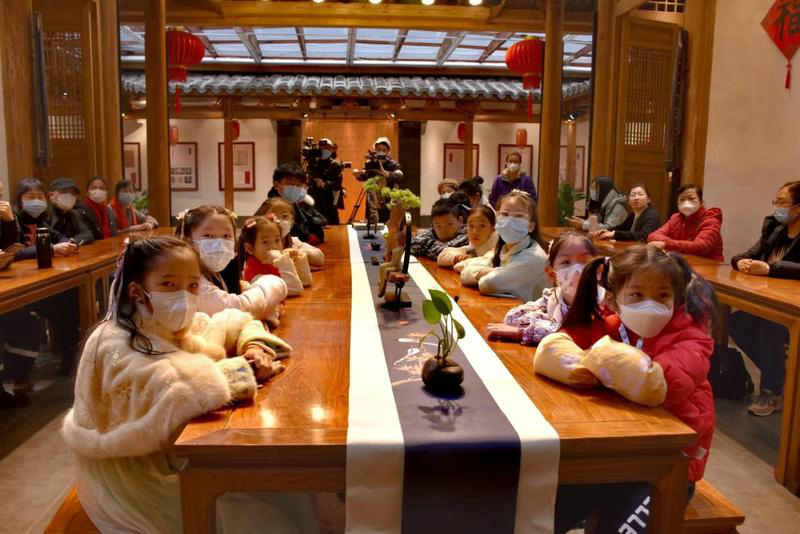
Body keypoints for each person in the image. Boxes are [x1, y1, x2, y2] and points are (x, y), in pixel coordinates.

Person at [60, 235, 306, 533]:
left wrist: (252, 344)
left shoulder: (166, 323)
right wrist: (243, 370)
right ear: (137, 291)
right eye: (168, 284)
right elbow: (170, 390)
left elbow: (230, 321)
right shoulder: (111, 340)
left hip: (170, 453)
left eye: (192, 286)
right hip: (134, 474)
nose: (184, 295)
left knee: (286, 488)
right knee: (270, 515)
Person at [555, 245, 717, 533]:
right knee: (547, 509)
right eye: (637, 295)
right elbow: (559, 344)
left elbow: (661, 385)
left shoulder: (692, 339)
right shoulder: (613, 326)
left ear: (677, 299)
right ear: (613, 300)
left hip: (669, 468)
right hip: (612, 455)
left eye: (662, 296)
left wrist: (596, 359)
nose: (650, 305)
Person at [728, 181, 800, 416]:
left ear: (798, 208)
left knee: (767, 328)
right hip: (772, 301)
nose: (777, 207)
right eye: (775, 201)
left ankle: (773, 391)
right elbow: (747, 254)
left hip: (793, 308)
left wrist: (770, 268)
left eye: (782, 202)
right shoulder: (775, 229)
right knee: (736, 322)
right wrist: (740, 261)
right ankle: (779, 377)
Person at [176, 205, 288, 327]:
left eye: (226, 236)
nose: (219, 244)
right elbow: (236, 310)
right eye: (208, 236)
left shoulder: (216, 272)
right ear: (187, 240)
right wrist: (274, 282)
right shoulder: (189, 279)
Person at [486, 233, 599, 345]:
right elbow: (512, 318)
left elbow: (574, 333)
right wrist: (544, 321)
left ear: (598, 268)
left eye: (585, 261)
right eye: (566, 262)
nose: (576, 270)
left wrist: (523, 332)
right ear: (551, 273)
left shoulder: (600, 304)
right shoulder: (553, 296)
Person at [460, 190, 549, 301]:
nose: (509, 221)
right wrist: (497, 271)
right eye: (505, 214)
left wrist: (489, 271)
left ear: (531, 226)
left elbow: (487, 284)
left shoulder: (533, 257)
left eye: (518, 216)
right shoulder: (503, 250)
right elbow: (464, 274)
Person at [256, 163, 327, 245]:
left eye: (298, 185)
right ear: (276, 185)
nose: (294, 189)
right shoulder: (272, 206)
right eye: (289, 184)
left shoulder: (294, 203)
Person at [648, 184, 724, 261]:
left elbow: (701, 247)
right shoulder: (675, 218)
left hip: (709, 264)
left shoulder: (711, 221)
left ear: (701, 202)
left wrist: (666, 244)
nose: (686, 202)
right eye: (682, 199)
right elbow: (652, 236)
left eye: (691, 198)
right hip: (683, 261)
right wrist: (684, 245)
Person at [238, 216, 310, 296]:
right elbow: (295, 289)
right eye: (265, 242)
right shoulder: (254, 273)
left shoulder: (276, 260)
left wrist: (299, 259)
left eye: (277, 240)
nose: (273, 246)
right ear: (250, 248)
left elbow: (306, 281)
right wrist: (284, 262)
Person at [256, 197, 325, 268]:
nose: (279, 221)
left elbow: (319, 258)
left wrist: (297, 253)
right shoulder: (257, 243)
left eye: (285, 216)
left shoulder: (293, 242)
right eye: (274, 216)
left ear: (292, 222)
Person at [355, 137, 404, 223]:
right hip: (372, 203)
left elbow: (399, 176)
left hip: (388, 203)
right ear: (375, 150)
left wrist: (384, 173)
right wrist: (358, 174)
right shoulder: (370, 163)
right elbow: (365, 176)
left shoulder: (393, 164)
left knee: (387, 226)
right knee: (371, 227)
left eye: (384, 150)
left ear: (388, 152)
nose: (381, 152)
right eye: (378, 149)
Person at [593, 183, 662, 242]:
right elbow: (622, 228)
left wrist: (614, 234)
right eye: (633, 195)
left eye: (640, 194)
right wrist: (607, 230)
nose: (636, 198)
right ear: (628, 200)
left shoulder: (652, 215)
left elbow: (644, 236)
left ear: (649, 199)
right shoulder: (633, 214)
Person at [437, 205, 497, 269]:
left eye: (482, 226)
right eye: (471, 225)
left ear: (493, 228)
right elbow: (442, 257)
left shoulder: (499, 251)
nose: (475, 232)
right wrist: (458, 258)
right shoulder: (473, 248)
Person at [410, 196, 469, 260]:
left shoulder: (467, 233)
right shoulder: (433, 231)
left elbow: (441, 253)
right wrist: (433, 242)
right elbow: (411, 244)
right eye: (438, 226)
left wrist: (427, 248)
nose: (444, 231)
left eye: (449, 224)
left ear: (460, 220)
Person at [307, 138, 345, 225]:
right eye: (321, 148)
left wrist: (324, 184)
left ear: (332, 150)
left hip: (329, 200)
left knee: (332, 224)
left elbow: (337, 185)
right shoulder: (314, 164)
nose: (324, 150)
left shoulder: (335, 164)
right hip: (315, 199)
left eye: (327, 148)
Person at [48, 177, 95, 245]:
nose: (69, 196)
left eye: (73, 193)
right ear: (51, 195)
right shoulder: (44, 215)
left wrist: (73, 242)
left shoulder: (73, 214)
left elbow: (87, 234)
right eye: (64, 192)